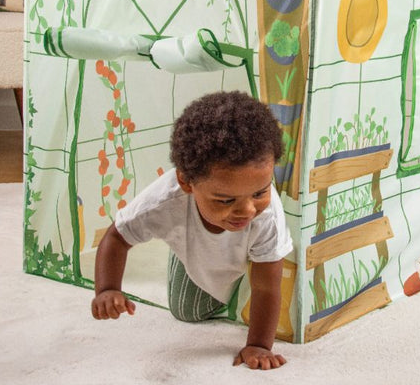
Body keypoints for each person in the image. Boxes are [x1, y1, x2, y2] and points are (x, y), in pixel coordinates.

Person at [90, 90, 292, 370]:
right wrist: (108, 289)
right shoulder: (162, 203)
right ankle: (187, 254)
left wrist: (258, 345)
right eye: (226, 200)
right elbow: (117, 237)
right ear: (187, 183)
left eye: (259, 191)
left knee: (266, 282)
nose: (247, 210)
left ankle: (239, 271)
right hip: (193, 243)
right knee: (187, 311)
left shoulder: (266, 214)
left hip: (253, 252)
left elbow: (267, 286)